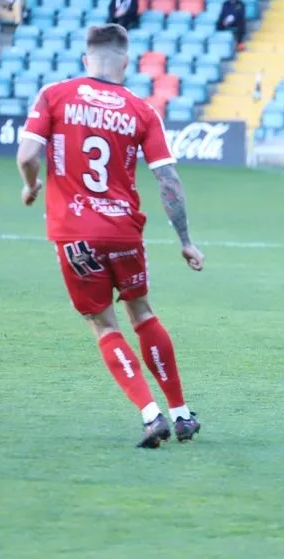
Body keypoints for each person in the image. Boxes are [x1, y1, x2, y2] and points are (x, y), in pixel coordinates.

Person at [15, 24, 205, 449]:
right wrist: (185, 241)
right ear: (125, 60)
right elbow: (168, 180)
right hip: (123, 231)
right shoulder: (140, 109)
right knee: (142, 312)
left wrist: (31, 186)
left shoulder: (55, 94)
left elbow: (28, 154)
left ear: (87, 59)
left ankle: (150, 415)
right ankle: (180, 414)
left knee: (104, 323)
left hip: (75, 235)